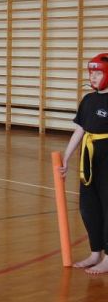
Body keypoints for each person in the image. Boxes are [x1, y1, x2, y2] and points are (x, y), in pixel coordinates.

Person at [60, 53, 108, 274]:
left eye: (98, 73)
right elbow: (80, 129)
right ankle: (95, 252)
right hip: (88, 160)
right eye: (91, 73)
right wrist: (67, 157)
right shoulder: (88, 100)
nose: (93, 77)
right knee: (88, 207)